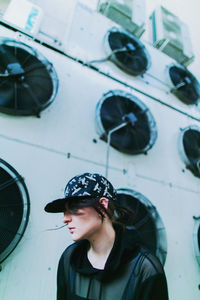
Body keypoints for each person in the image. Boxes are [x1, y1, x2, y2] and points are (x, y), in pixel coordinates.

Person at [44, 172, 169, 300]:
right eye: (65, 210)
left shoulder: (144, 268)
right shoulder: (70, 258)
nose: (65, 219)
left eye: (74, 207)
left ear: (103, 205)